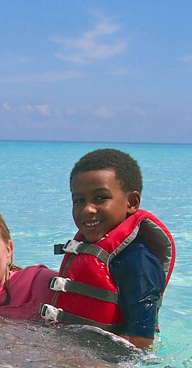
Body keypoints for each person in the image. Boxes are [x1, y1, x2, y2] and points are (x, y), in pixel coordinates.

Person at [40, 148, 175, 349]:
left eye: (100, 197)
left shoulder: (138, 261)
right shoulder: (93, 249)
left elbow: (142, 341)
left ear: (132, 202)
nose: (87, 209)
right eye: (79, 200)